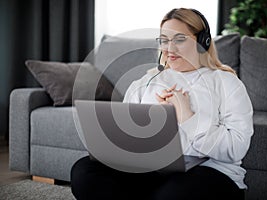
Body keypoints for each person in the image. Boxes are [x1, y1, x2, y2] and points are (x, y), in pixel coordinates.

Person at [71, 8, 253, 200]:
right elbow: (125, 140)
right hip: (153, 172)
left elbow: (236, 148)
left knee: (170, 195)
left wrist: (187, 116)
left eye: (179, 39)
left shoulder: (226, 82)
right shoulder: (145, 82)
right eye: (164, 40)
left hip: (211, 172)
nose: (169, 49)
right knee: (84, 172)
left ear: (203, 41)